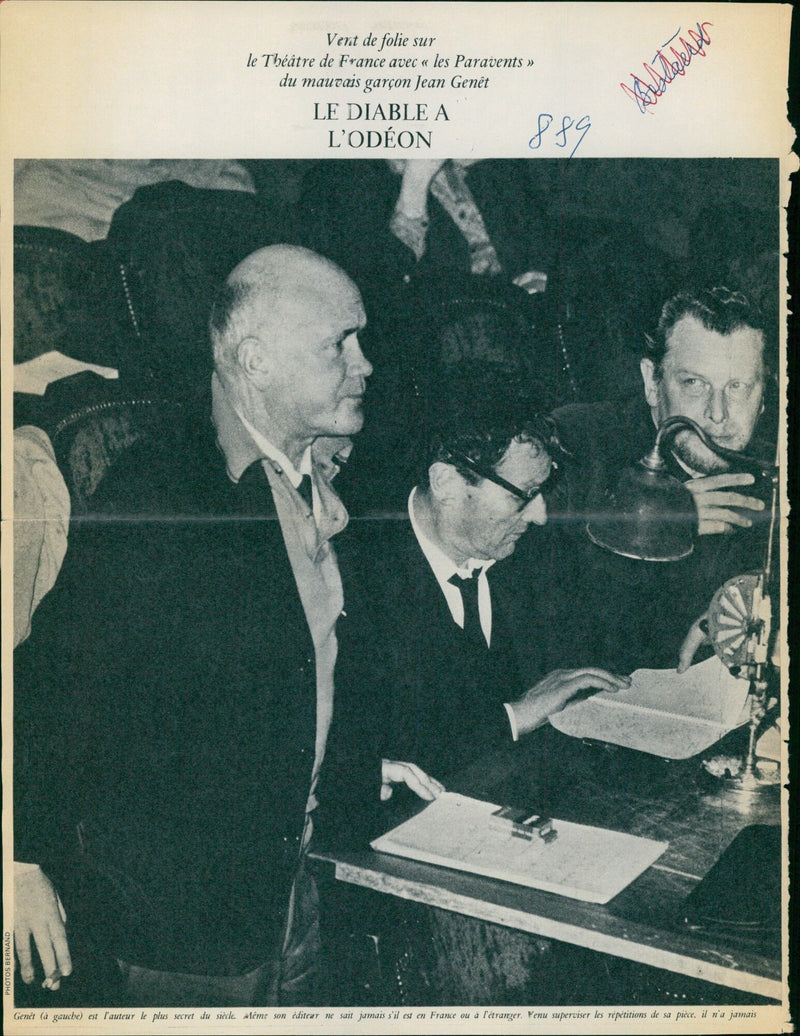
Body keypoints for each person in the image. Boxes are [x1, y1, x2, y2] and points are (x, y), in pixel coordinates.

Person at [13, 244, 439, 1006]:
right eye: (339, 342)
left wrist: (349, 765)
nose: (366, 362)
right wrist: (20, 860)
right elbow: (50, 680)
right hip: (179, 925)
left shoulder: (323, 477)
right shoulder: (162, 491)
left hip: (296, 891)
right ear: (255, 360)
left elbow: (298, 670)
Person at [320, 362, 629, 845]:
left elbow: (597, 659)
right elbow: (368, 750)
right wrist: (514, 715)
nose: (541, 514)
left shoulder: (535, 556)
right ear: (445, 482)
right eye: (524, 496)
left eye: (543, 491)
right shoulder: (350, 575)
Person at [543, 286, 776, 673]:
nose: (717, 415)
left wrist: (758, 596)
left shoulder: (771, 468)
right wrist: (659, 520)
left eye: (737, 387)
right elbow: (542, 623)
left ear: (764, 394)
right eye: (694, 384)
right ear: (652, 382)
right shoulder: (575, 445)